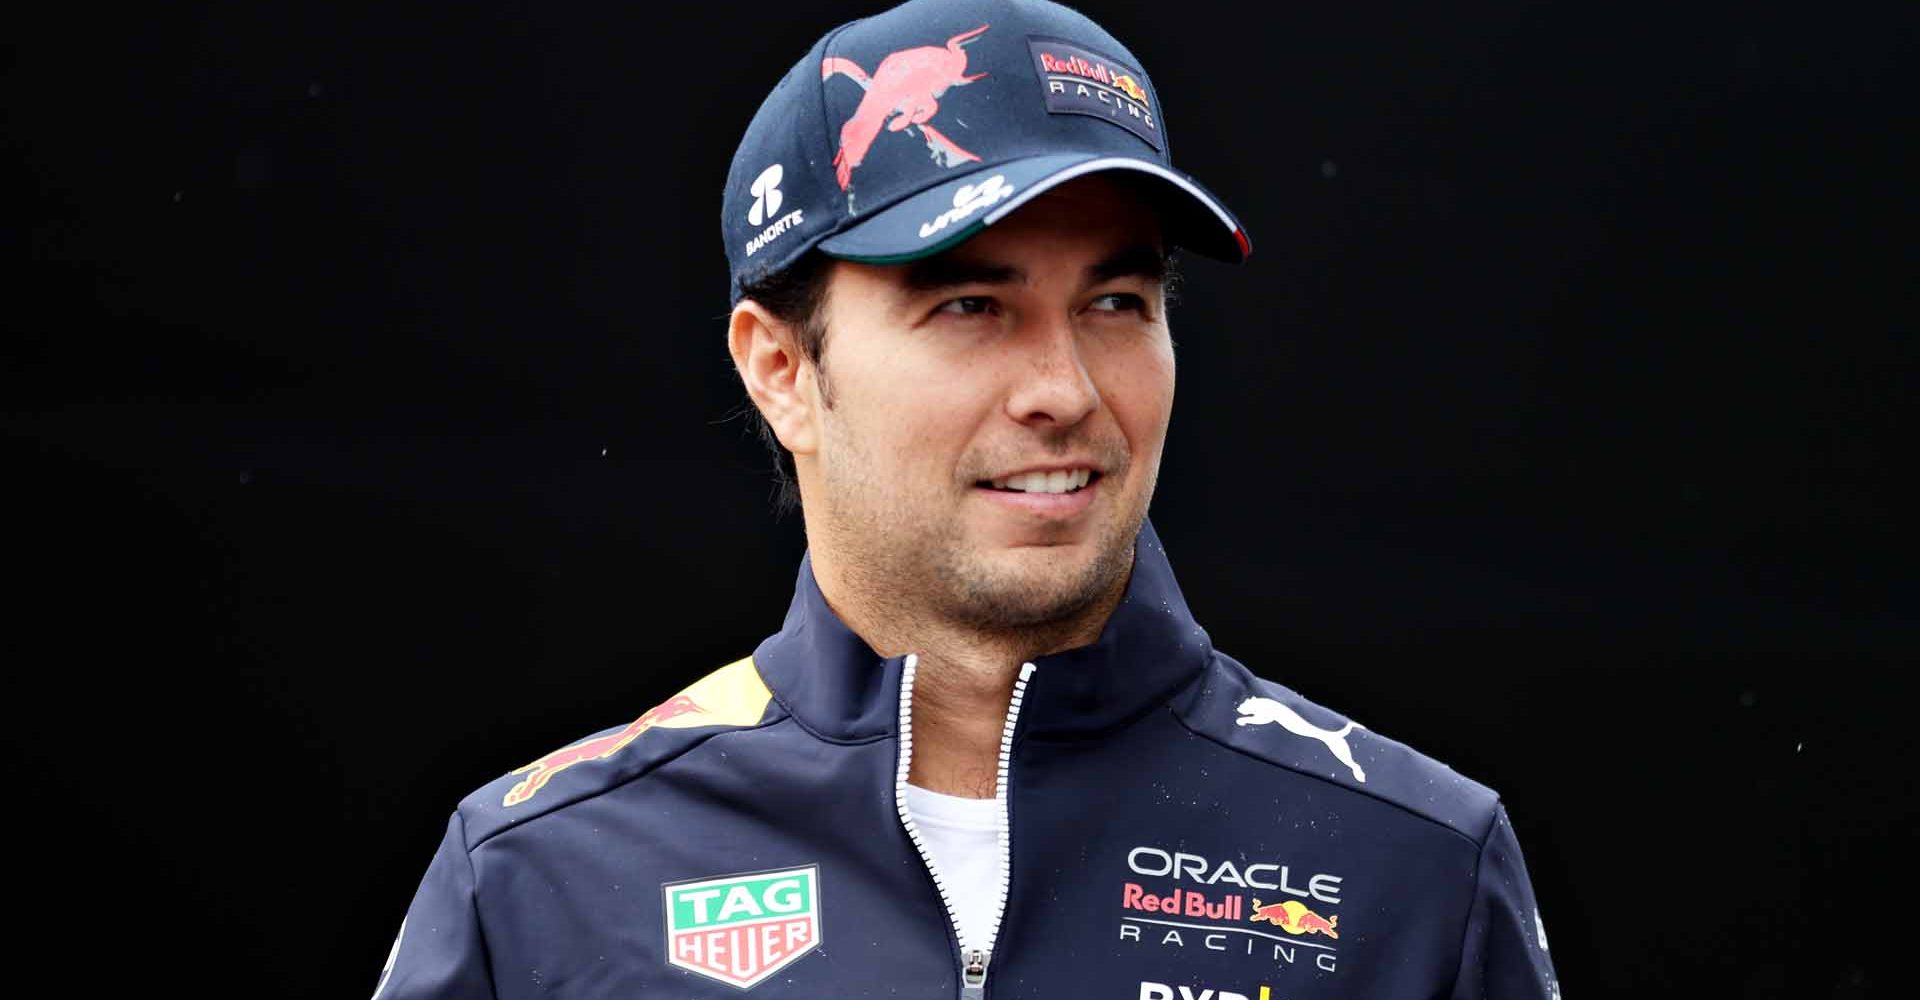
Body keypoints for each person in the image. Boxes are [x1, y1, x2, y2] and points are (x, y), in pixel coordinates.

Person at [372, 2, 1561, 998]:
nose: (1066, 390)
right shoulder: (538, 878)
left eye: (1116, 304)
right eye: (971, 307)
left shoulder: (1417, 869)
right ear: (781, 369)